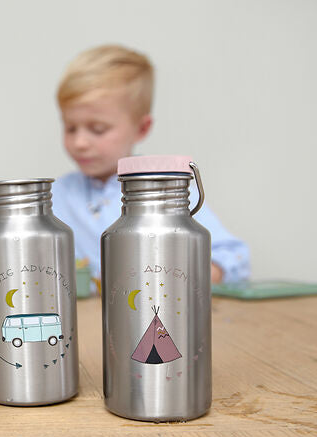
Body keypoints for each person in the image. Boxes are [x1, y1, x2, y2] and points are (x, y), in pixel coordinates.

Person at [51, 44, 250, 284]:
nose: (80, 142)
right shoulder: (56, 197)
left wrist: (172, 278)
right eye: (70, 128)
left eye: (98, 129)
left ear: (142, 128)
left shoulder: (168, 191)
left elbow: (233, 258)